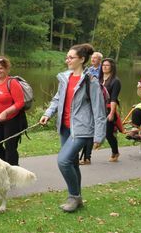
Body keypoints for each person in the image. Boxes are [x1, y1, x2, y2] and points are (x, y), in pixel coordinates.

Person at [39, 43, 106, 213]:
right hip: (65, 127)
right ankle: (78, 198)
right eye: (67, 57)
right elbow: (57, 99)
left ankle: (73, 196)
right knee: (73, 163)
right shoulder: (65, 78)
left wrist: (99, 135)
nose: (67, 60)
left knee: (63, 161)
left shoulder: (91, 81)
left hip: (82, 128)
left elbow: (99, 110)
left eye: (71, 57)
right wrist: (48, 113)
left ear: (82, 59)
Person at [80, 51, 103, 165]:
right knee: (86, 129)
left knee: (91, 130)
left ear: (100, 60)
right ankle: (84, 157)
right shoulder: (87, 70)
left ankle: (87, 157)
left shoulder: (102, 71)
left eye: (95, 58)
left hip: (98, 101)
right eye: (92, 58)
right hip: (87, 102)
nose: (93, 60)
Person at [101, 58, 122, 162]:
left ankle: (115, 152)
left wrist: (112, 113)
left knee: (108, 134)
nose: (104, 67)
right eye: (103, 65)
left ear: (112, 67)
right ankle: (87, 156)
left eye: (107, 65)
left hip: (109, 109)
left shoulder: (115, 81)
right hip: (98, 109)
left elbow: (114, 98)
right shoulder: (98, 79)